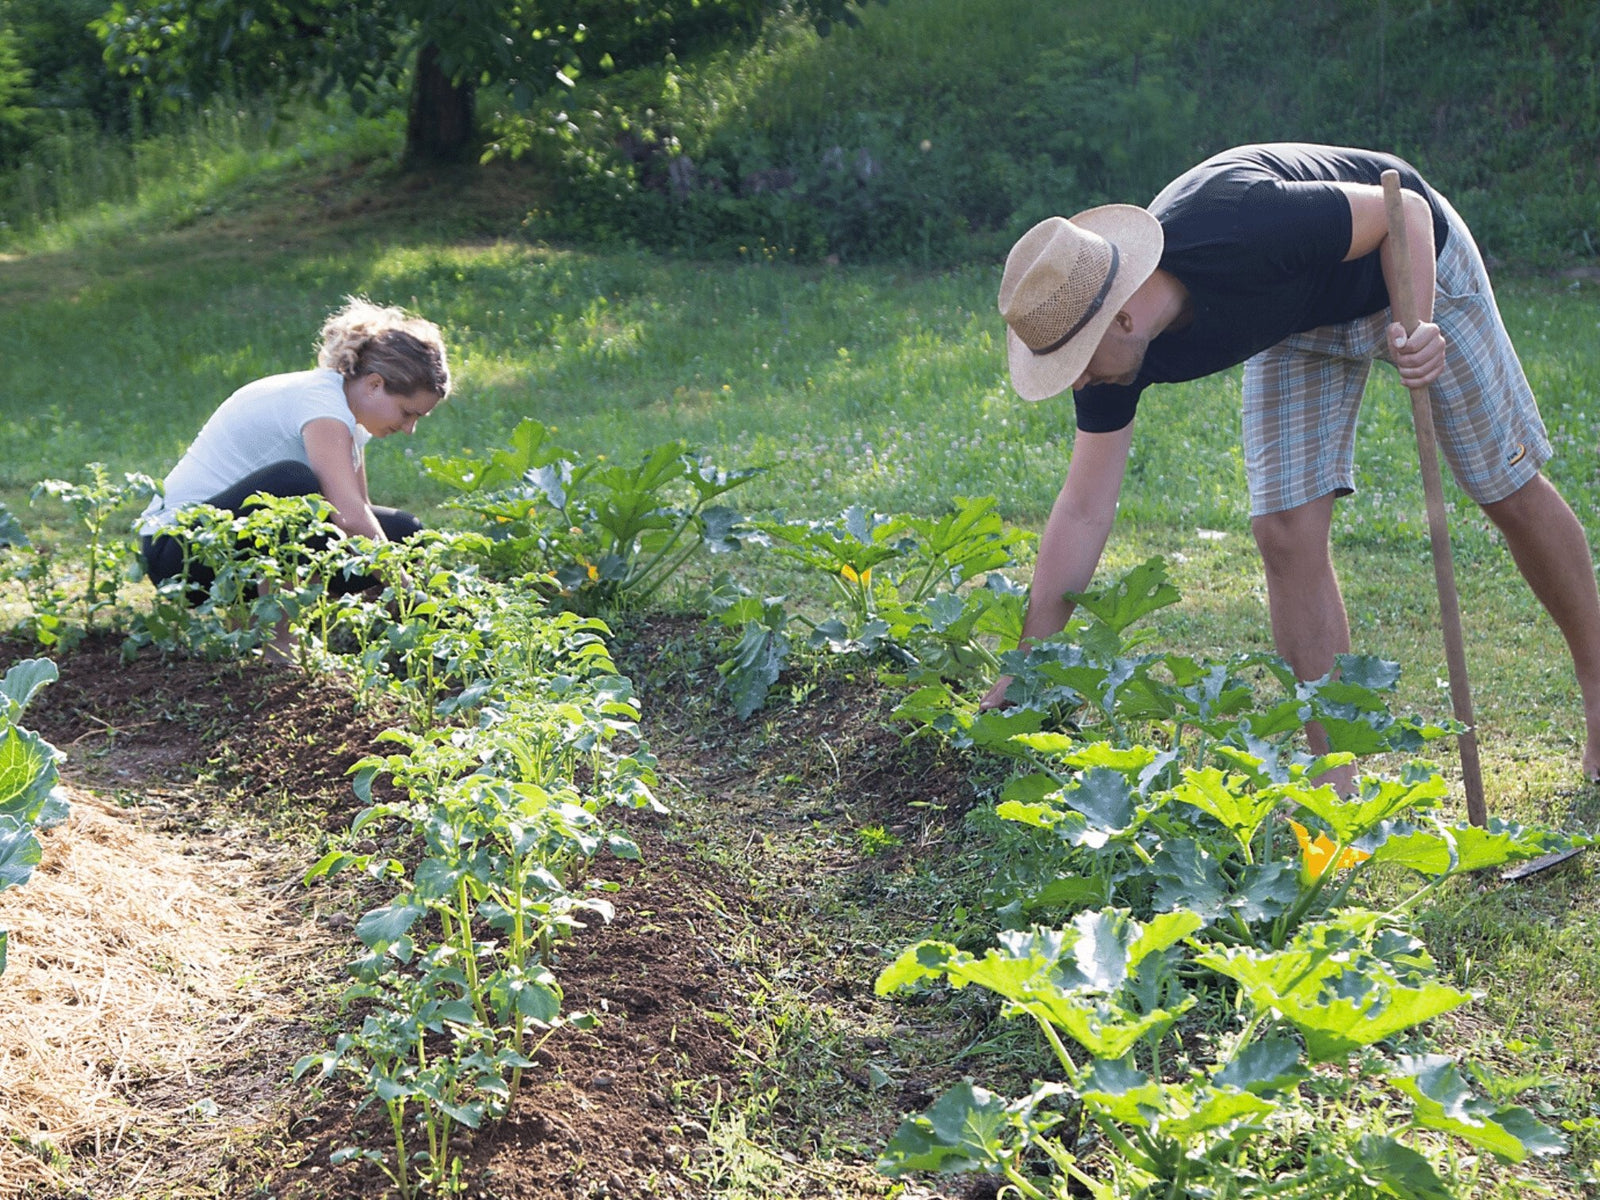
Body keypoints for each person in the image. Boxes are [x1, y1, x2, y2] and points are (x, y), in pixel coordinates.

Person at [984, 142, 1600, 785]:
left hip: (1408, 262)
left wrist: (1416, 325)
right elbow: (1083, 510)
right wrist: (1024, 665)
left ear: (1125, 317)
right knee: (1284, 530)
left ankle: (1598, 689)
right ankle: (1338, 786)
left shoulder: (1245, 224)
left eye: (1077, 361)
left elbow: (1403, 211)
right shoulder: (1111, 364)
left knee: (1505, 487)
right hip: (1297, 318)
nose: (1075, 382)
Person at [138, 297, 452, 656]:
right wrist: (409, 591)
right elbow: (349, 518)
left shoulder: (348, 416)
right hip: (180, 555)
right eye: (407, 413)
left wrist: (404, 588)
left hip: (227, 541)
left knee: (403, 532)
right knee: (296, 485)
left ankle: (375, 635)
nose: (409, 429)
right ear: (374, 384)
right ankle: (276, 639)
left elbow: (357, 511)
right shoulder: (321, 404)